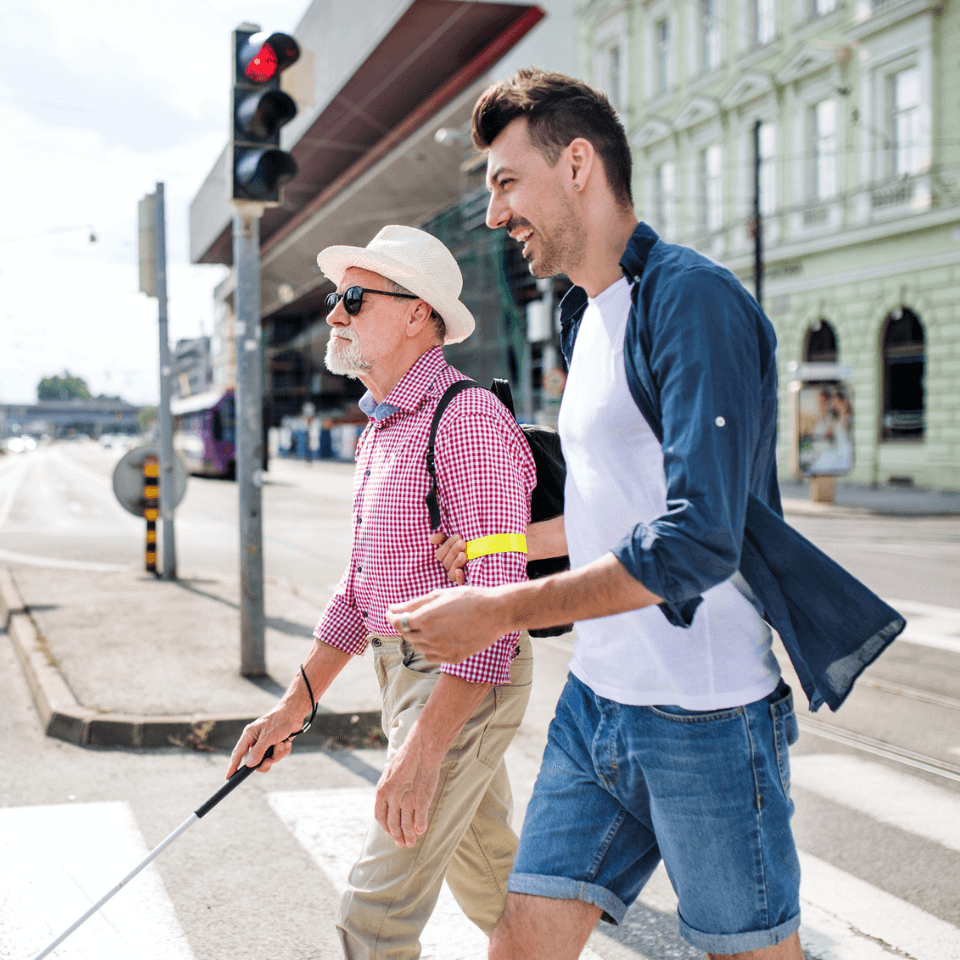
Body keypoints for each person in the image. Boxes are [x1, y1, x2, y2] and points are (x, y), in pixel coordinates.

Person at [387, 70, 903, 960]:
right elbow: (609, 510)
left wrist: (500, 609)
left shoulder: (694, 301)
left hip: (706, 717)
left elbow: (696, 539)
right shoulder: (584, 315)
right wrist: (496, 551)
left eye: (508, 183)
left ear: (577, 163)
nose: (495, 213)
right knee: (517, 947)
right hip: (600, 707)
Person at [226, 224, 537, 959]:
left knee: (374, 917)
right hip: (406, 674)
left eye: (354, 298)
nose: (334, 314)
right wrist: (293, 706)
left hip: (462, 681)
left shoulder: (467, 421)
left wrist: (425, 750)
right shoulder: (383, 431)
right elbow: (360, 589)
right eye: (338, 298)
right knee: (496, 885)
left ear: (417, 313)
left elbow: (496, 605)